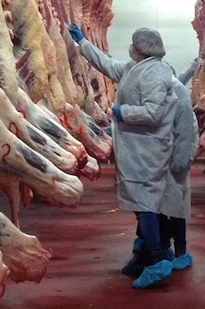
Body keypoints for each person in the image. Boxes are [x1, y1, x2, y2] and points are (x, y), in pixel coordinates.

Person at [68, 23, 178, 289]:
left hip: (147, 149)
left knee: (145, 203)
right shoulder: (134, 68)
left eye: (133, 43)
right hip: (135, 148)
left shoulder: (155, 73)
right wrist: (83, 43)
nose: (130, 46)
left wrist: (121, 112)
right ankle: (144, 255)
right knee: (142, 201)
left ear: (141, 47)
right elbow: (107, 64)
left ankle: (155, 260)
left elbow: (153, 114)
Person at [157, 60, 199, 271]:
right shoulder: (168, 100)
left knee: (177, 211)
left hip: (177, 165)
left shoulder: (181, 102)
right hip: (163, 165)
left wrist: (182, 162)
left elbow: (190, 137)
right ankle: (165, 246)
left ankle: (180, 250)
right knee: (163, 209)